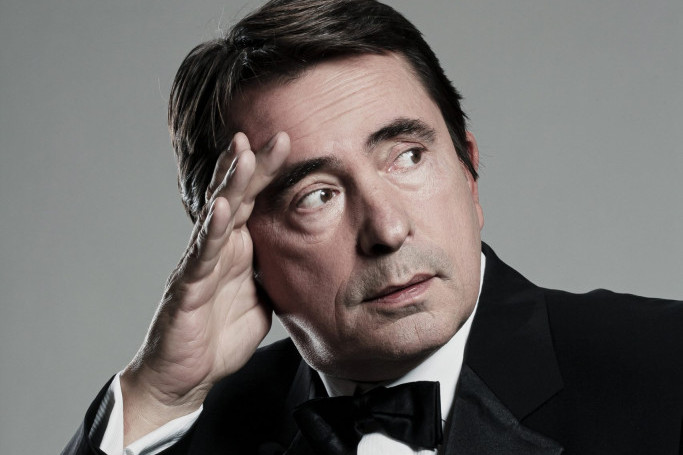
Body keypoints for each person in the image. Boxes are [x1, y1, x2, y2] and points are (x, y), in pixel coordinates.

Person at [62, 0, 683, 454]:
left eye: (407, 157)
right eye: (316, 195)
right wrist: (157, 395)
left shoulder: (665, 364)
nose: (386, 229)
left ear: (468, 170)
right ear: (238, 248)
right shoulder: (183, 433)